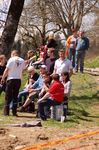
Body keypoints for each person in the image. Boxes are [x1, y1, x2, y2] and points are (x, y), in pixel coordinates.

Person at [1, 50, 25, 116]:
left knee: (8, 96)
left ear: (13, 54)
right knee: (15, 96)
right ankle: (14, 112)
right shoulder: (22, 60)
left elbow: (6, 70)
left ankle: (6, 112)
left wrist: (3, 78)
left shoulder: (11, 59)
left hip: (11, 79)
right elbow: (23, 70)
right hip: (18, 79)